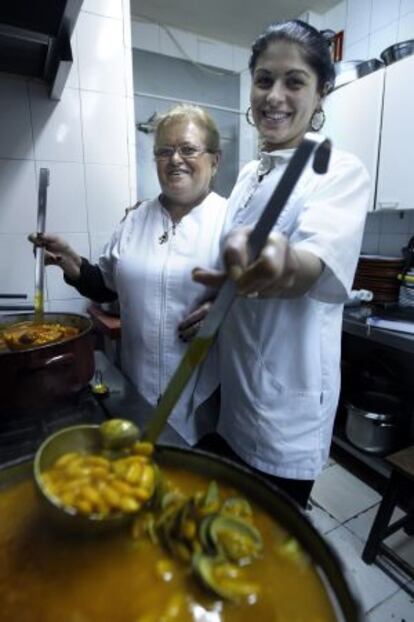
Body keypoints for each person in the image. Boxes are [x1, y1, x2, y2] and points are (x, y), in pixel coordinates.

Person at [193, 20, 370, 509]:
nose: (275, 95)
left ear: (321, 94)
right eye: (264, 79)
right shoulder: (251, 174)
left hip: (285, 413)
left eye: (294, 81)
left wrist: (283, 261)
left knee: (265, 546)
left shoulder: (337, 169)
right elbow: (238, 274)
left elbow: (312, 263)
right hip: (235, 394)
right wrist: (216, 302)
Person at [29, 104, 227, 443]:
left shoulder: (231, 220)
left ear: (214, 159)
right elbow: (107, 286)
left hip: (204, 399)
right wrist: (72, 262)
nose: (174, 159)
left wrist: (223, 311)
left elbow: (256, 302)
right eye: (164, 151)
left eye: (188, 149)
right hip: (137, 388)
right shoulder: (135, 220)